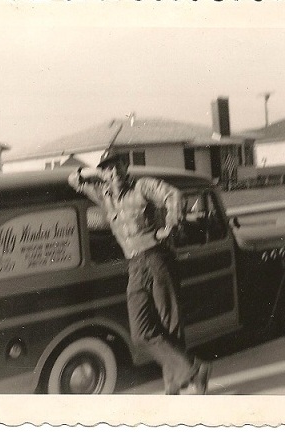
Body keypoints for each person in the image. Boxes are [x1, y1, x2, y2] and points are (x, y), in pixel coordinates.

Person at [68, 151, 211, 395]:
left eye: (117, 166)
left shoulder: (142, 186)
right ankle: (193, 370)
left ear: (126, 166)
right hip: (134, 265)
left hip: (157, 259)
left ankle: (175, 385)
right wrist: (93, 171)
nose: (113, 172)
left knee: (170, 325)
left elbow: (173, 195)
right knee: (140, 333)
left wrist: (170, 226)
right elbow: (74, 180)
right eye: (107, 169)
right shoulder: (104, 195)